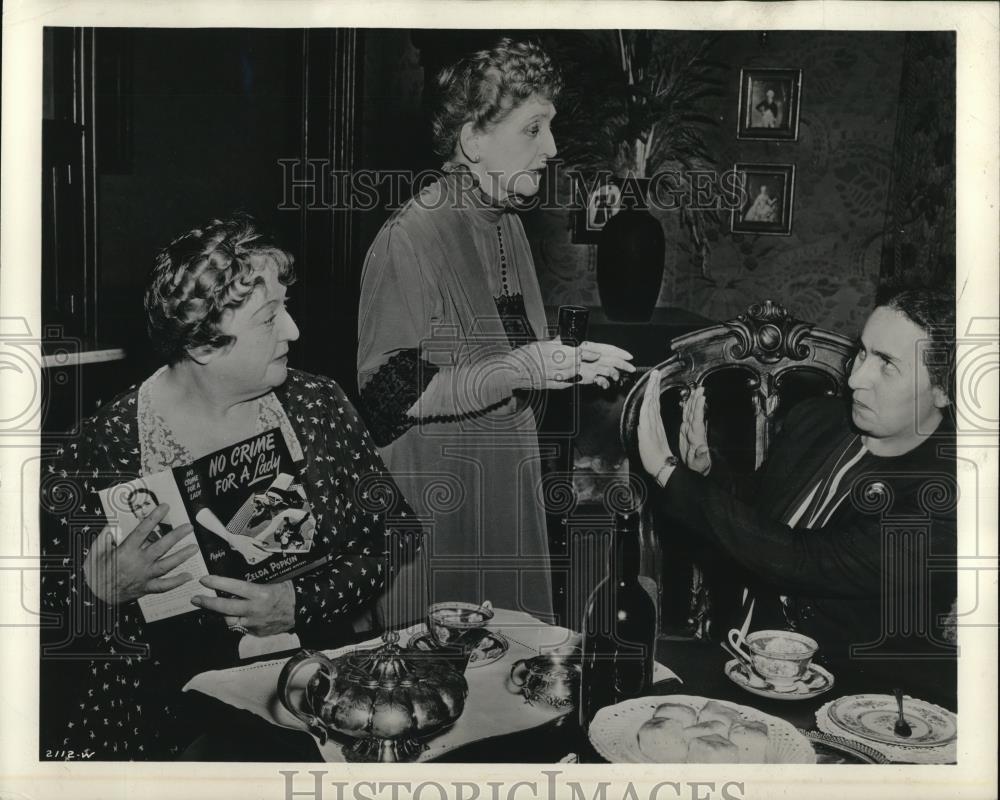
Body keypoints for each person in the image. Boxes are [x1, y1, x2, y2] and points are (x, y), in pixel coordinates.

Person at [40, 215, 422, 759]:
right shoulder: (108, 444)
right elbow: (40, 617)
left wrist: (301, 602)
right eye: (269, 318)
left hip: (311, 694)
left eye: (286, 307)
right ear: (202, 344)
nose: (293, 330)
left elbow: (395, 533)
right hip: (165, 723)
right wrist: (98, 592)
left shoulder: (316, 406)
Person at [357, 39, 634, 623]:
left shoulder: (506, 222)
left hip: (504, 493)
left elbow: (506, 360)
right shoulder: (412, 235)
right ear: (473, 140)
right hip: (438, 514)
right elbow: (388, 395)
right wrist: (524, 367)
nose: (552, 148)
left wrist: (560, 365)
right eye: (533, 129)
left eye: (550, 128)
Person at [636, 288, 957, 699]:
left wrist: (669, 472)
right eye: (862, 353)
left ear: (943, 390)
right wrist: (706, 472)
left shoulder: (946, 498)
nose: (856, 378)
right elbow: (762, 511)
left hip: (849, 696)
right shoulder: (817, 420)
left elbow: (804, 559)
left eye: (887, 364)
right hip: (735, 658)